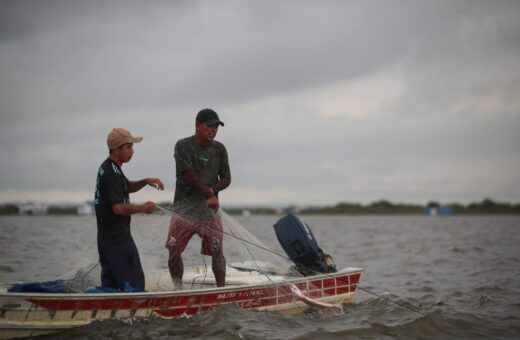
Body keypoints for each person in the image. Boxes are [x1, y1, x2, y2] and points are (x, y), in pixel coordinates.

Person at [165, 108, 231, 288]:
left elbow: (226, 178)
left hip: (209, 212)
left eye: (216, 127)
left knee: (218, 251)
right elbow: (189, 175)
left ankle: (220, 291)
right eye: (210, 126)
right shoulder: (183, 145)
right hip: (183, 210)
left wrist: (214, 189)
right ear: (197, 126)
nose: (213, 130)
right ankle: (178, 290)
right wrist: (209, 193)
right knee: (174, 251)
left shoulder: (220, 149)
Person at [94, 128, 164, 291]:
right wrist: (144, 208)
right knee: (135, 287)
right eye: (129, 147)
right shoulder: (112, 172)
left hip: (106, 240)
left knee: (111, 287)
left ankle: (109, 316)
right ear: (116, 149)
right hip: (118, 240)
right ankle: (134, 316)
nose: (132, 152)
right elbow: (118, 208)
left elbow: (125, 187)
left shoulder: (110, 168)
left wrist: (145, 181)